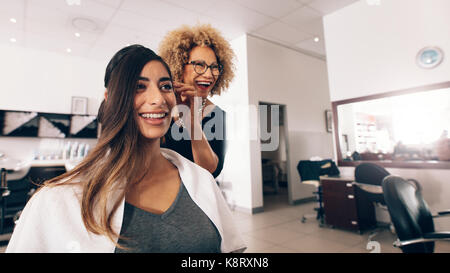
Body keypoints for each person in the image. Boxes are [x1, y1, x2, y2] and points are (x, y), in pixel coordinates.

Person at [6, 45, 246, 253]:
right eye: (139, 87)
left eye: (165, 86)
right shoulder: (57, 200)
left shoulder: (202, 180)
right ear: (110, 98)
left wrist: (193, 119)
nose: (158, 99)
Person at [158, 24, 235, 178]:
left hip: (197, 198)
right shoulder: (162, 106)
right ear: (178, 66)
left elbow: (211, 170)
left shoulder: (217, 116)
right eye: (199, 65)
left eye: (214, 67)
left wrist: (191, 123)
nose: (209, 74)